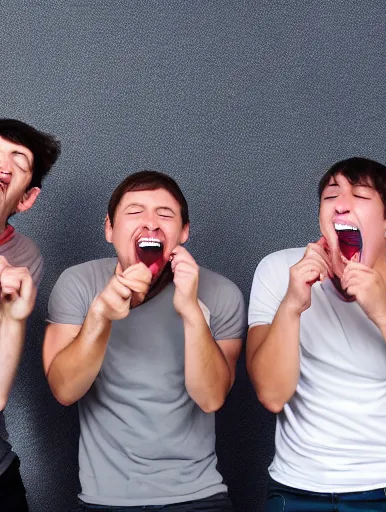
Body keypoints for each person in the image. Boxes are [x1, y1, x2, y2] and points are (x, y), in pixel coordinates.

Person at [247, 157, 386, 511]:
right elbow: (272, 396)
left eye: (361, 197)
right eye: (330, 196)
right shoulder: (279, 271)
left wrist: (384, 313)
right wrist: (292, 304)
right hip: (294, 491)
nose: (341, 204)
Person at [43, 170, 245, 511]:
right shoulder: (78, 283)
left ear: (183, 233)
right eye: (135, 212)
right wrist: (100, 315)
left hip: (198, 498)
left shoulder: (220, 293)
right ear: (109, 228)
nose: (151, 223)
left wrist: (192, 312)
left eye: (165, 214)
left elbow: (210, 398)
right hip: (103, 501)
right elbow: (64, 390)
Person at [0, 119, 60, 511]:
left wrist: (13, 318)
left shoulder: (24, 260)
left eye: (16, 159)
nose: (2, 162)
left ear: (26, 198)